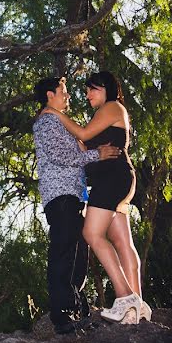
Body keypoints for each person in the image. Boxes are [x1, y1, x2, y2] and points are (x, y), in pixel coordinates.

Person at [43, 71, 149, 324]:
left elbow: (84, 134)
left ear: (107, 90)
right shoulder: (106, 115)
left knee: (91, 234)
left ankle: (126, 299)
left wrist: (53, 112)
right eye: (87, 90)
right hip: (118, 179)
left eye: (93, 89)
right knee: (124, 243)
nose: (87, 94)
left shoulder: (112, 107)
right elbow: (86, 144)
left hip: (111, 180)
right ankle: (138, 307)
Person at [33, 76, 121, 334]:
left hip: (70, 196)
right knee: (65, 252)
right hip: (60, 197)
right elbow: (61, 156)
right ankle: (63, 316)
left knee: (78, 251)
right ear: (50, 95)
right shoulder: (47, 121)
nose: (68, 96)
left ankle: (77, 308)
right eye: (64, 91)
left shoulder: (57, 122)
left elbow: (74, 151)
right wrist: (97, 154)